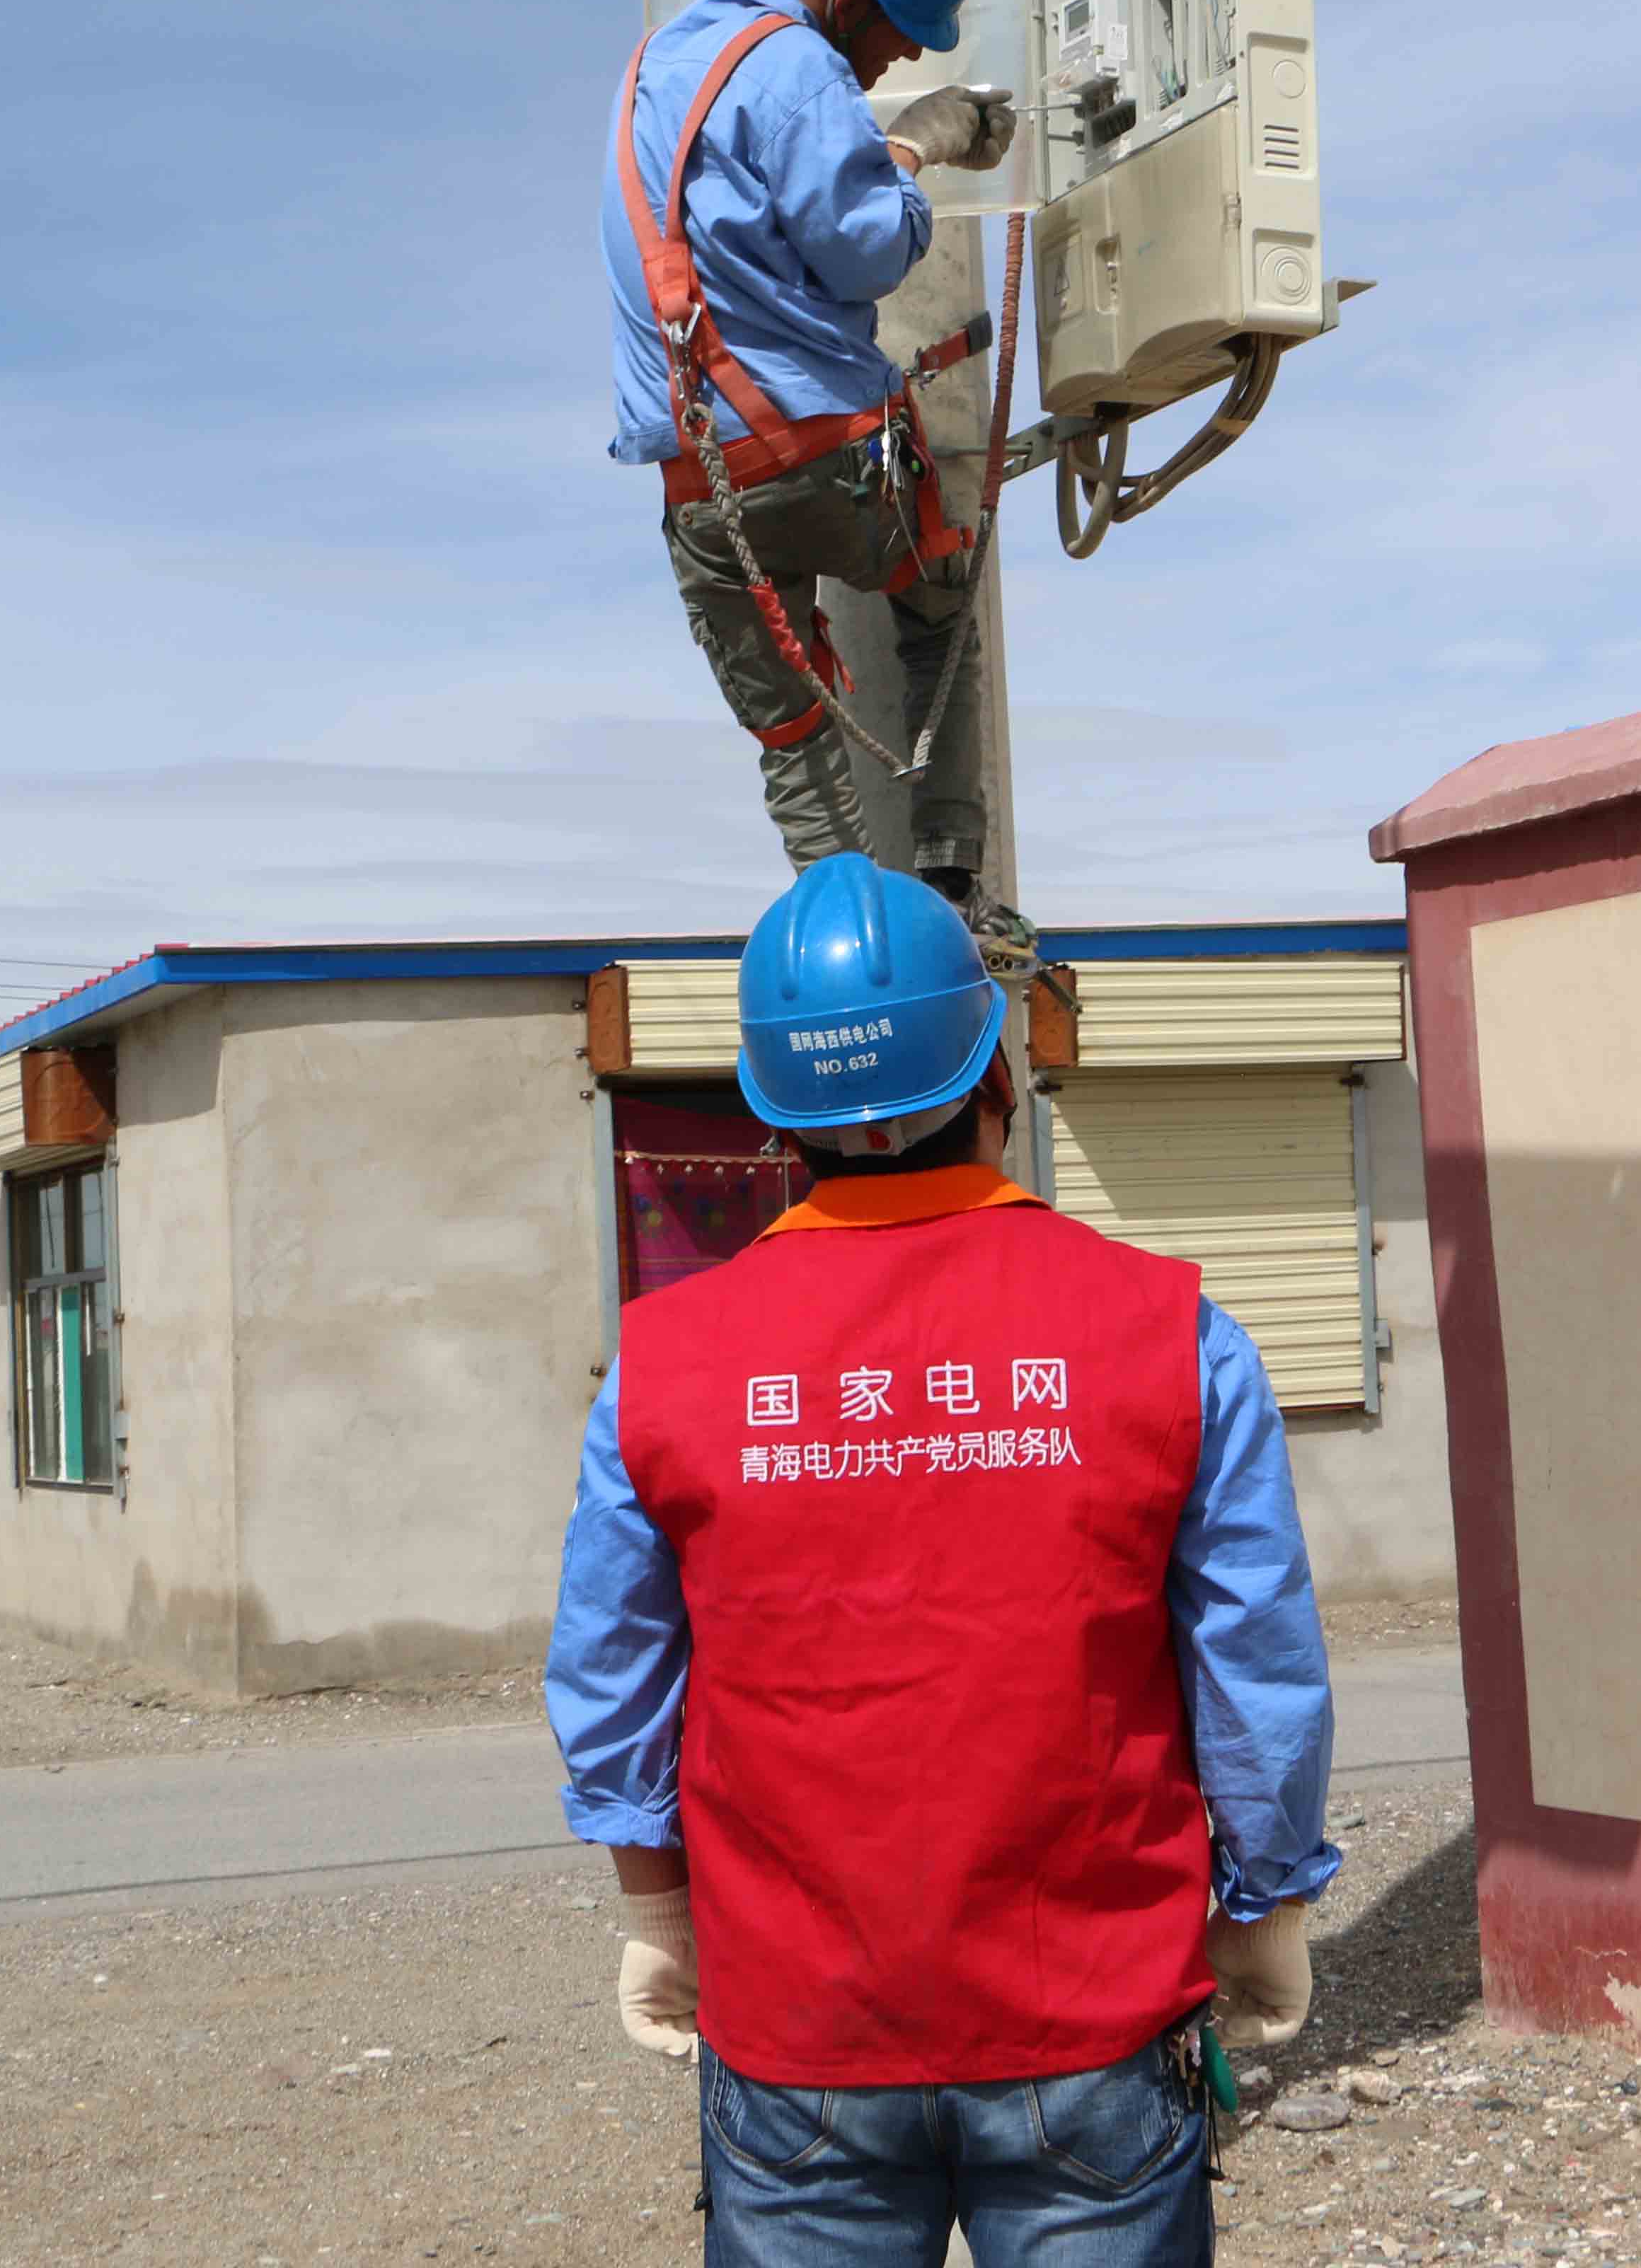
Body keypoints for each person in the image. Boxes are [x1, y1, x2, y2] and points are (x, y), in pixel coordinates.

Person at [548, 854, 1339, 2265]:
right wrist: (1265, 1897)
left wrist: (655, 1906)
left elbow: (613, 1667)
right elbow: (1253, 1658)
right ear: (998, 1078)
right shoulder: (1168, 1334)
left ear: (770, 1109)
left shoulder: (665, 1369)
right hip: (1094, 2016)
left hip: (798, 2029)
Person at [604, 0, 1037, 973]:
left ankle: (857, 938)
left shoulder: (660, 63)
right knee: (939, 595)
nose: (899, 52)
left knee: (794, 733)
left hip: (701, 488)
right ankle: (952, 888)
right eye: (897, 30)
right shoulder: (799, 69)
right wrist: (915, 142)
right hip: (821, 458)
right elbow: (865, 252)